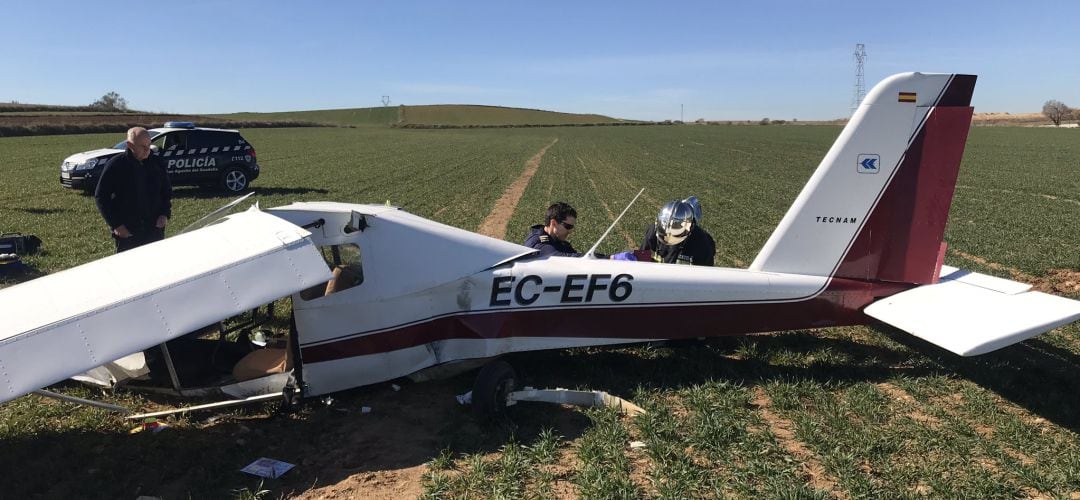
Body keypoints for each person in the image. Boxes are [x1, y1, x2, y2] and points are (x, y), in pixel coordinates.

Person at [95, 127, 172, 253]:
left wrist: (164, 214)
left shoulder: (157, 163)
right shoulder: (116, 165)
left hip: (154, 230)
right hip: (128, 233)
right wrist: (116, 225)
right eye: (142, 146)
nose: (148, 150)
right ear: (130, 145)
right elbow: (101, 196)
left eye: (149, 145)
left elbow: (166, 191)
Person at [640, 197, 716, 266]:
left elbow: (704, 275)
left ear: (690, 228)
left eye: (676, 227)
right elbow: (641, 257)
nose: (668, 236)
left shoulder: (702, 243)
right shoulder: (652, 231)